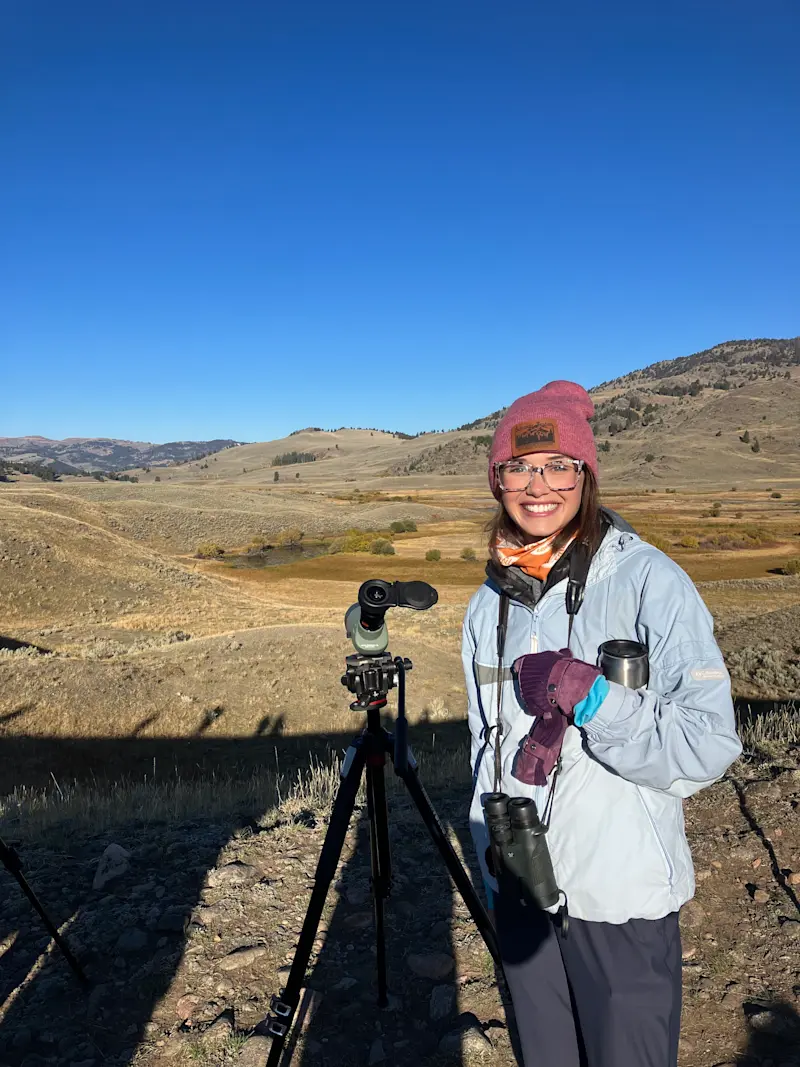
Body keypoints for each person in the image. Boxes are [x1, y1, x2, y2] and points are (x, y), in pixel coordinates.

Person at [462, 380, 742, 1067]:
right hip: (521, 883)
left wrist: (595, 702)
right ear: (497, 479)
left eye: (558, 465)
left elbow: (707, 744)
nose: (538, 486)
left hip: (619, 895)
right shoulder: (487, 604)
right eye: (519, 468)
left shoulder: (650, 581)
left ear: (586, 475)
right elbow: (484, 746)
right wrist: (490, 858)